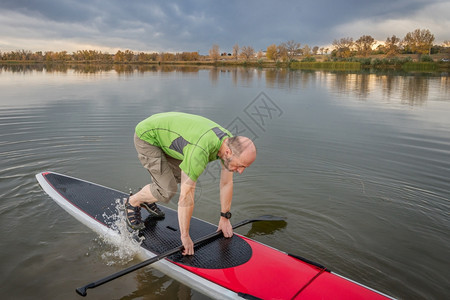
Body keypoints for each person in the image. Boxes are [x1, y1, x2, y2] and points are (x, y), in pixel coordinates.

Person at [126, 112, 257, 256]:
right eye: (240, 166)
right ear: (228, 152)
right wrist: (185, 236)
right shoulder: (200, 151)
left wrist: (225, 218)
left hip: (171, 138)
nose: (240, 171)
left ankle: (150, 195)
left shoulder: (230, 143)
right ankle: (133, 202)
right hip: (147, 137)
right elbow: (186, 197)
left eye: (244, 167)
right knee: (168, 190)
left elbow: (226, 183)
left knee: (182, 179)